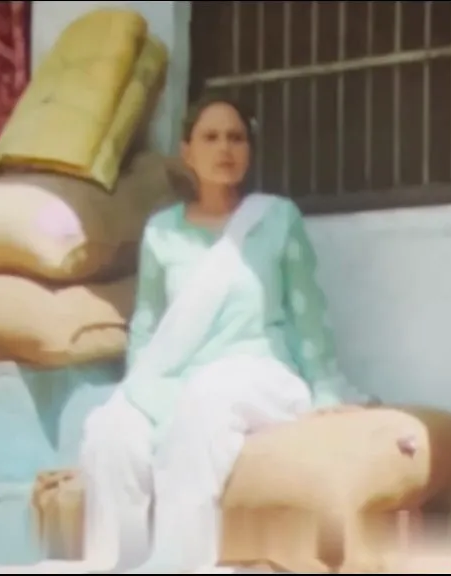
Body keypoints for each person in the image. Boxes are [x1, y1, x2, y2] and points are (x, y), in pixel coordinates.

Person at [48, 93, 372, 574]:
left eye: (236, 138)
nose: (225, 148)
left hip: (258, 373)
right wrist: (136, 390)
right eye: (211, 137)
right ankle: (117, 562)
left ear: (249, 151)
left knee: (207, 397)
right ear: (187, 151)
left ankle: (177, 564)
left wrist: (326, 387)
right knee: (110, 429)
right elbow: (148, 325)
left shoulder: (275, 219)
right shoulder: (162, 232)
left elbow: (307, 312)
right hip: (177, 378)